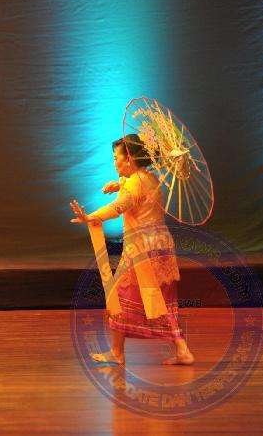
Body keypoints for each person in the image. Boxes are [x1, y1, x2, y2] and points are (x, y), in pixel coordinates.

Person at [70, 134, 194, 366]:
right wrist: (119, 184)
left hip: (141, 249)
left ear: (129, 159)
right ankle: (182, 350)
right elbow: (137, 189)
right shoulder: (151, 178)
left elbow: (118, 207)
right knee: (161, 300)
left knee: (117, 297)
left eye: (115, 157)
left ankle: (117, 352)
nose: (114, 162)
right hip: (161, 246)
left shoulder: (134, 184)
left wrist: (90, 217)